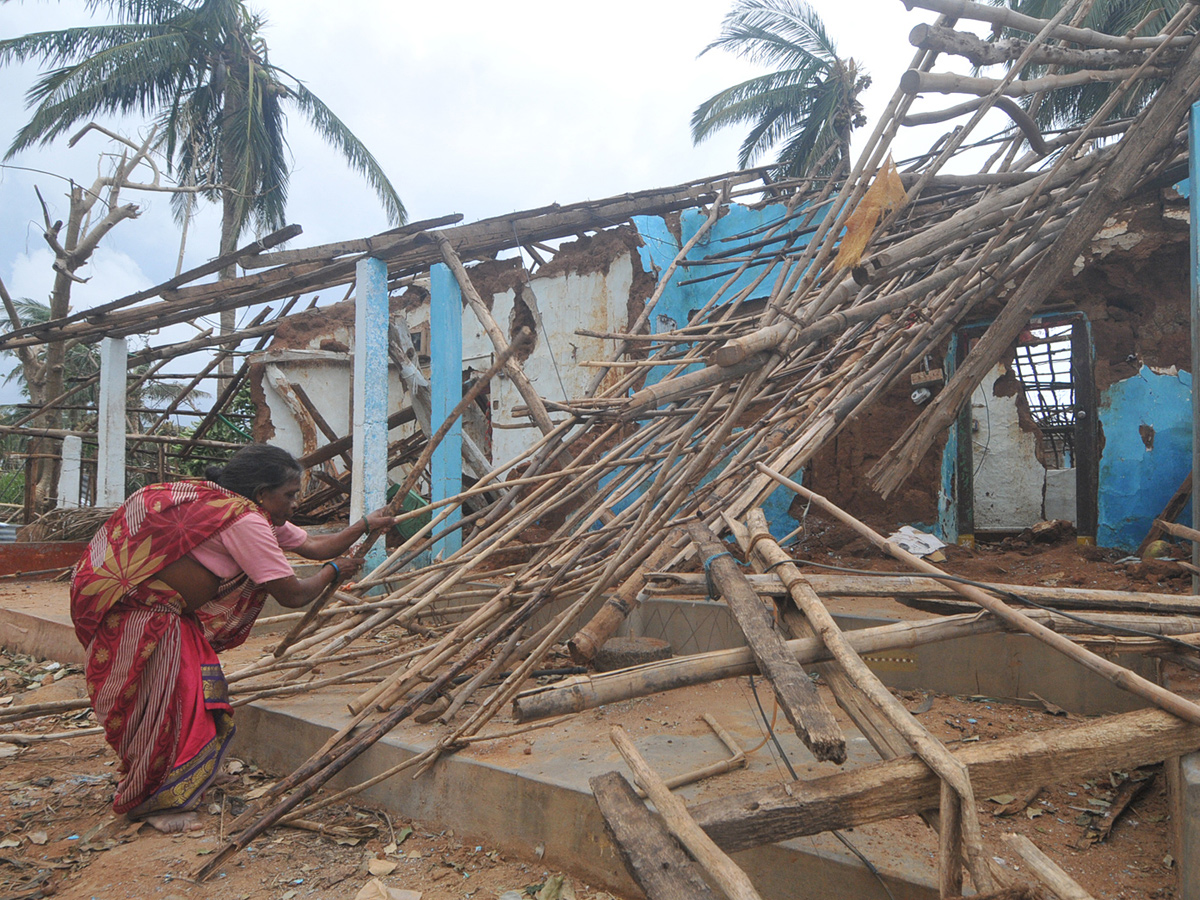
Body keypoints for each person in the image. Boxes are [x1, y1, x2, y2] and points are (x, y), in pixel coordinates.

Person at [70, 443, 397, 833]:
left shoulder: (225, 502)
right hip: (145, 617)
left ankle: (182, 777)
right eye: (290, 495)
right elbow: (292, 594)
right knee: (164, 704)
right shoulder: (246, 521)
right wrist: (332, 572)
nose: (295, 503)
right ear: (262, 493)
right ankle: (158, 801)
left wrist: (364, 525)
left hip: (160, 613)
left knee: (195, 696)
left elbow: (312, 544)